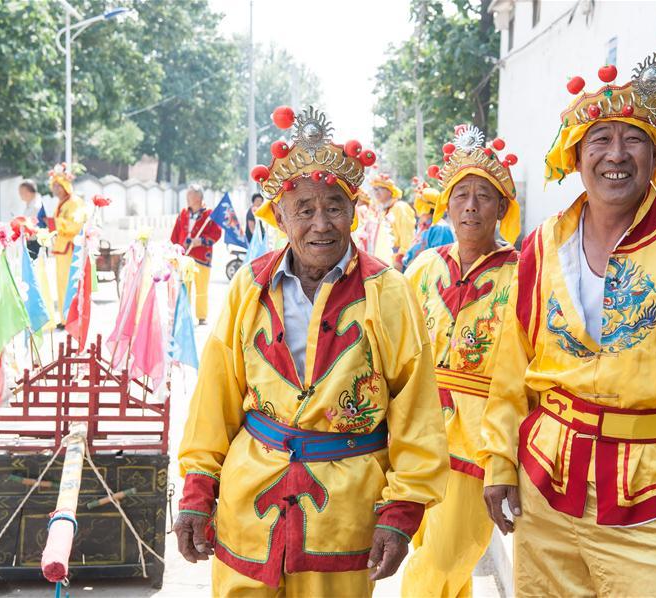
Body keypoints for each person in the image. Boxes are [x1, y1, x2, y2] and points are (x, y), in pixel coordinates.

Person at [479, 48, 656, 597]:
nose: (616, 155)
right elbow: (512, 366)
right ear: (576, 155)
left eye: (633, 139)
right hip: (546, 487)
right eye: (600, 140)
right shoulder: (541, 245)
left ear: (655, 155)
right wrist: (498, 461)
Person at [175, 105, 449, 597]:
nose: (320, 223)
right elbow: (212, 398)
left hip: (344, 517)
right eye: (304, 209)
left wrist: (402, 511)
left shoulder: (388, 292)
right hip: (249, 506)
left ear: (354, 212)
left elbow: (417, 408)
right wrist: (197, 491)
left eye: (334, 207)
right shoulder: (248, 287)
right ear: (279, 215)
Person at [401, 125, 522, 597]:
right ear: (445, 205)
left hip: (479, 442)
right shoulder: (422, 267)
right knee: (432, 556)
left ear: (501, 208)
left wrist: (505, 459)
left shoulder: (522, 274)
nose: (471, 205)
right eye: (461, 194)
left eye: (484, 196)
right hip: (416, 435)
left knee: (442, 560)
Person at [170, 184, 222, 325]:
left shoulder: (209, 215)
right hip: (184, 256)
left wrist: (201, 241)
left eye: (190, 195)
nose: (187, 198)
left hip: (201, 256)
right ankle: (184, 314)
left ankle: (201, 316)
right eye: (187, 195)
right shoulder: (183, 213)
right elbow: (175, 234)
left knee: (201, 288)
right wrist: (176, 248)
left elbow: (217, 233)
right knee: (184, 287)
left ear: (198, 197)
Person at [49, 164, 87, 327]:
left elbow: (76, 225)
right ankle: (65, 318)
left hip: (71, 249)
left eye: (59, 186)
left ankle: (72, 318)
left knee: (70, 283)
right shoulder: (61, 203)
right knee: (61, 283)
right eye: (54, 186)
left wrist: (56, 223)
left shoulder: (75, 202)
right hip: (61, 249)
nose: (56, 189)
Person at [369, 173, 415, 271]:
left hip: (399, 263)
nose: (376, 192)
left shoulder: (400, 207)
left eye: (379, 188)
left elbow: (407, 236)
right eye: (374, 189)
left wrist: (400, 259)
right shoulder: (384, 210)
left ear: (390, 191)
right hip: (385, 261)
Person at [403, 183, 455, 267]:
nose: (415, 206)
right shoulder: (424, 226)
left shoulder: (440, 228)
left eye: (418, 203)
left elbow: (440, 262)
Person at [18, 179, 43, 260]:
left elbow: (32, 225)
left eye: (21, 192)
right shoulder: (31, 204)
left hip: (36, 243)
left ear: (29, 192)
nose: (20, 194)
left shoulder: (36, 206)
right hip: (30, 241)